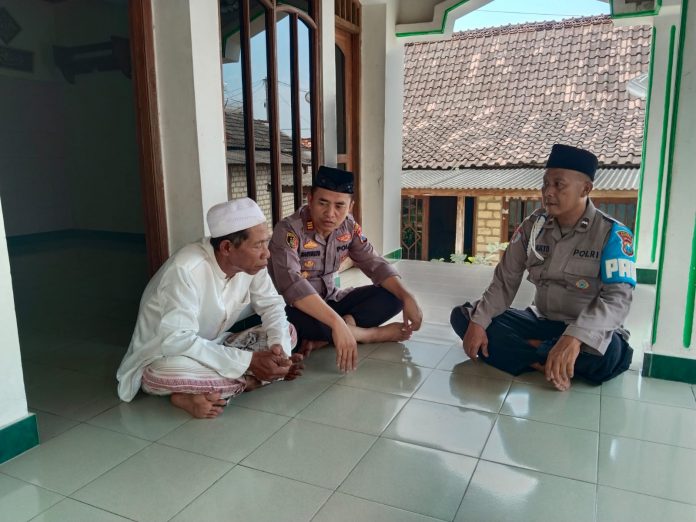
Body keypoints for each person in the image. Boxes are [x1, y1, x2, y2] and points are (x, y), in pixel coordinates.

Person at [449, 144, 635, 391]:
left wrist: (575, 336)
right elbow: (505, 281)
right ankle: (546, 358)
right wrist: (478, 323)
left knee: (609, 355)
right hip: (540, 320)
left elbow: (617, 300)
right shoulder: (532, 226)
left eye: (558, 185)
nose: (548, 192)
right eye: (545, 183)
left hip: (585, 326)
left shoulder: (612, 234)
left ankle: (535, 353)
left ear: (585, 189)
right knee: (464, 316)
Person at [116, 198, 303, 418]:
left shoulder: (254, 265)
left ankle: (214, 388)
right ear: (227, 247)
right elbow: (177, 340)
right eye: (257, 245)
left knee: (287, 332)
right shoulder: (185, 270)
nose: (267, 253)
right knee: (166, 373)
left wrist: (281, 355)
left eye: (266, 242)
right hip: (165, 354)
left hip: (217, 343)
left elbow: (272, 306)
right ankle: (249, 381)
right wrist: (250, 362)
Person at [268, 166, 423, 373]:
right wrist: (337, 324)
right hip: (297, 308)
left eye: (339, 206)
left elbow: (375, 263)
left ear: (350, 206)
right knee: (293, 324)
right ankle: (365, 335)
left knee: (394, 297)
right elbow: (292, 285)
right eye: (323, 203)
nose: (330, 213)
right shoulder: (288, 231)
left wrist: (407, 296)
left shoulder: (348, 227)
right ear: (310, 199)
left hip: (332, 300)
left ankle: (330, 335)